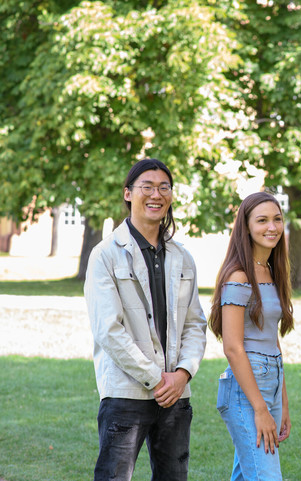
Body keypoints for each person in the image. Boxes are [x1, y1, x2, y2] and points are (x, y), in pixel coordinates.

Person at [85, 158, 207, 481]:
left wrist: (182, 375)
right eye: (147, 187)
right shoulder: (106, 254)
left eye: (164, 187)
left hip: (176, 396)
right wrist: (156, 378)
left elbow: (196, 324)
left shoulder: (182, 256)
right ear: (128, 194)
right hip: (126, 393)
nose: (156, 194)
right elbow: (109, 331)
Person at [208, 191, 294, 481]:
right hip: (245, 390)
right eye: (262, 220)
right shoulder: (239, 276)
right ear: (246, 227)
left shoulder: (271, 271)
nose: (272, 227)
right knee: (266, 476)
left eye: (277, 219)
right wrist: (260, 409)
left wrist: (281, 401)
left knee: (246, 476)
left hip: (271, 380)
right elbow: (232, 348)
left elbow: (271, 336)